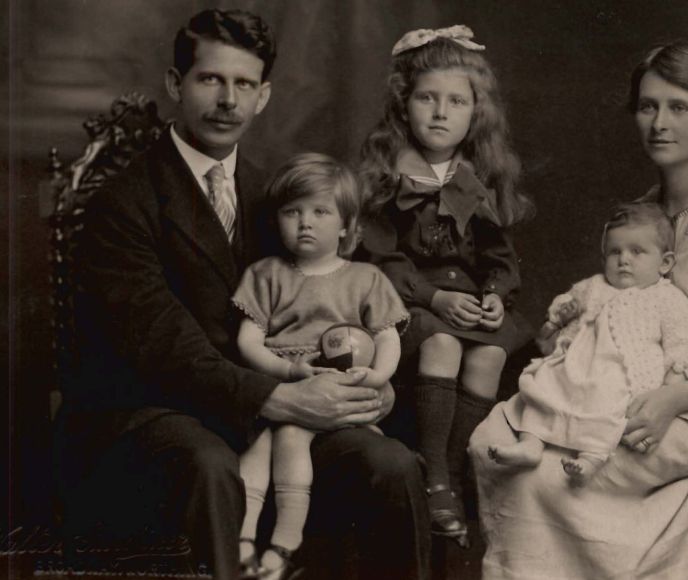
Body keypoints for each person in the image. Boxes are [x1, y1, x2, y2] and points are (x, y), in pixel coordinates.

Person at [56, 10, 429, 580]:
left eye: (244, 84)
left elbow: (342, 299)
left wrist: (368, 393)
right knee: (211, 466)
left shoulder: (276, 195)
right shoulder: (123, 202)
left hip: (268, 407)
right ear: (175, 85)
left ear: (264, 96)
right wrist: (273, 398)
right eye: (210, 80)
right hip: (149, 408)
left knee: (390, 463)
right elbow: (160, 343)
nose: (228, 99)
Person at [469, 39, 688, 579]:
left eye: (680, 107)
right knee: (498, 445)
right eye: (648, 106)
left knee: (560, 476)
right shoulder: (642, 213)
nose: (659, 123)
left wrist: (675, 398)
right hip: (615, 389)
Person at [355, 25, 535, 546]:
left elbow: (500, 259)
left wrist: (495, 299)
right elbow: (380, 258)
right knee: (441, 342)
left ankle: (452, 471)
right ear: (403, 104)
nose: (440, 112)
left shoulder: (476, 178)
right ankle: (434, 473)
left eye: (456, 101)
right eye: (427, 98)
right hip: (409, 303)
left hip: (468, 302)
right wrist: (434, 297)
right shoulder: (390, 177)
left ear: (474, 111)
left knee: (490, 355)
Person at [231, 153, 410, 579]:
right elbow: (247, 340)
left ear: (347, 224)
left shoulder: (366, 278)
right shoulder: (266, 274)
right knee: (254, 442)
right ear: (277, 219)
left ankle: (283, 544)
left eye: (320, 211)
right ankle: (242, 539)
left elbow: (387, 336)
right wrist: (289, 372)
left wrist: (377, 376)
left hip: (339, 384)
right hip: (281, 383)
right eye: (292, 212)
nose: (305, 222)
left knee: (291, 436)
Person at [487, 202, 688, 486]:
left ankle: (591, 457)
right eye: (615, 252)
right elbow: (562, 311)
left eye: (637, 252)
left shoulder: (667, 298)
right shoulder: (593, 285)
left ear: (665, 263)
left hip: (621, 374)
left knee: (610, 405)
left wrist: (673, 383)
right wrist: (560, 317)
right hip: (574, 369)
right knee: (542, 387)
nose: (624, 260)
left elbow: (684, 343)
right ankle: (531, 443)